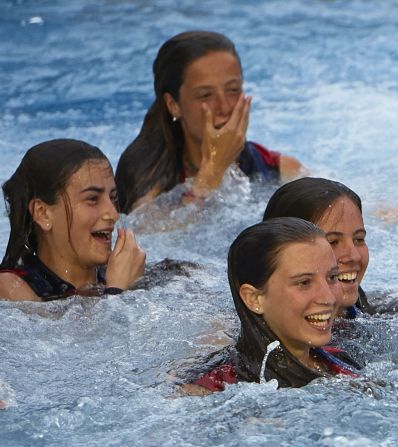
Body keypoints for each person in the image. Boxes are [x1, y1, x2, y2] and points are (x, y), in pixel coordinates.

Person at [115, 30, 303, 213]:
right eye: (205, 95)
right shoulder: (147, 177)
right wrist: (212, 172)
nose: (224, 107)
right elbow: (151, 237)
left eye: (232, 89)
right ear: (173, 105)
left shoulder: (276, 170)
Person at [187, 218, 359, 393]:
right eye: (304, 282)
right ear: (254, 298)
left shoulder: (339, 360)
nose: (328, 298)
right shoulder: (215, 389)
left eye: (332, 277)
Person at [0, 139, 146, 301]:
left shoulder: (116, 274)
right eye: (92, 199)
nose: (113, 213)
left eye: (113, 198)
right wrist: (117, 292)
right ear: (43, 213)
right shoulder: (10, 288)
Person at [262, 177, 371, 317]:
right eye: (332, 242)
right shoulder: (229, 335)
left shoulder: (384, 315)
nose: (354, 256)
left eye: (359, 239)